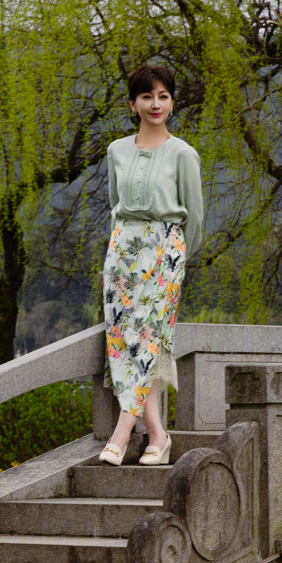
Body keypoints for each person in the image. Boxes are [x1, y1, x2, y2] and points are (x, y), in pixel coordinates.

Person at [99, 65, 203, 467]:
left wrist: (176, 261)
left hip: (165, 252)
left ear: (172, 103)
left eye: (163, 96)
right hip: (122, 250)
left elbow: (195, 217)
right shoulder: (116, 151)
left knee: (148, 334)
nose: (155, 104)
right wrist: (121, 246)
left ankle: (122, 433)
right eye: (146, 96)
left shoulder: (184, 154)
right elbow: (115, 204)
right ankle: (158, 436)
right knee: (123, 339)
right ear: (133, 104)